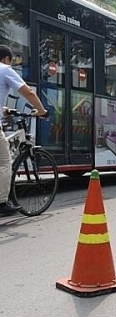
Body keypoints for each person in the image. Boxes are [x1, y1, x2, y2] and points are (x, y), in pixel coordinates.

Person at [0, 45, 48, 215]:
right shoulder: (5, 69)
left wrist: (3, 109)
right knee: (4, 161)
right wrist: (42, 111)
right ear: (7, 59)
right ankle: (1, 202)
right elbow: (28, 92)